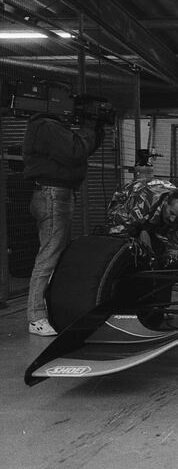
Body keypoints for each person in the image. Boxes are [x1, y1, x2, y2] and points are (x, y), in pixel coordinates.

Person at [23, 109, 104, 336]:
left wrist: (95, 130)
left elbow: (80, 150)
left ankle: (47, 309)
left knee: (54, 255)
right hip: (52, 194)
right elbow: (75, 151)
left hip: (56, 193)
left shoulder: (50, 127)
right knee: (49, 255)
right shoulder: (46, 125)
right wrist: (88, 127)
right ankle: (36, 317)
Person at [104, 178, 178, 269]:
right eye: (171, 213)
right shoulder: (143, 199)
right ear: (166, 202)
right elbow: (127, 228)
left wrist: (165, 260)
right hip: (127, 206)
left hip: (151, 216)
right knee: (125, 241)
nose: (173, 219)